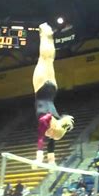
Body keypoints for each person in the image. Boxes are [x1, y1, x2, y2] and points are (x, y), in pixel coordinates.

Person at [32, 22, 74, 167]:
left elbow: (50, 143)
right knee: (42, 58)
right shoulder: (46, 120)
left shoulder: (55, 121)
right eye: (51, 134)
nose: (49, 136)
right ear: (52, 130)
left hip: (52, 89)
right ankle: (44, 33)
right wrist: (38, 158)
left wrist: (52, 162)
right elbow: (40, 139)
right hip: (41, 88)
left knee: (49, 60)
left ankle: (48, 37)